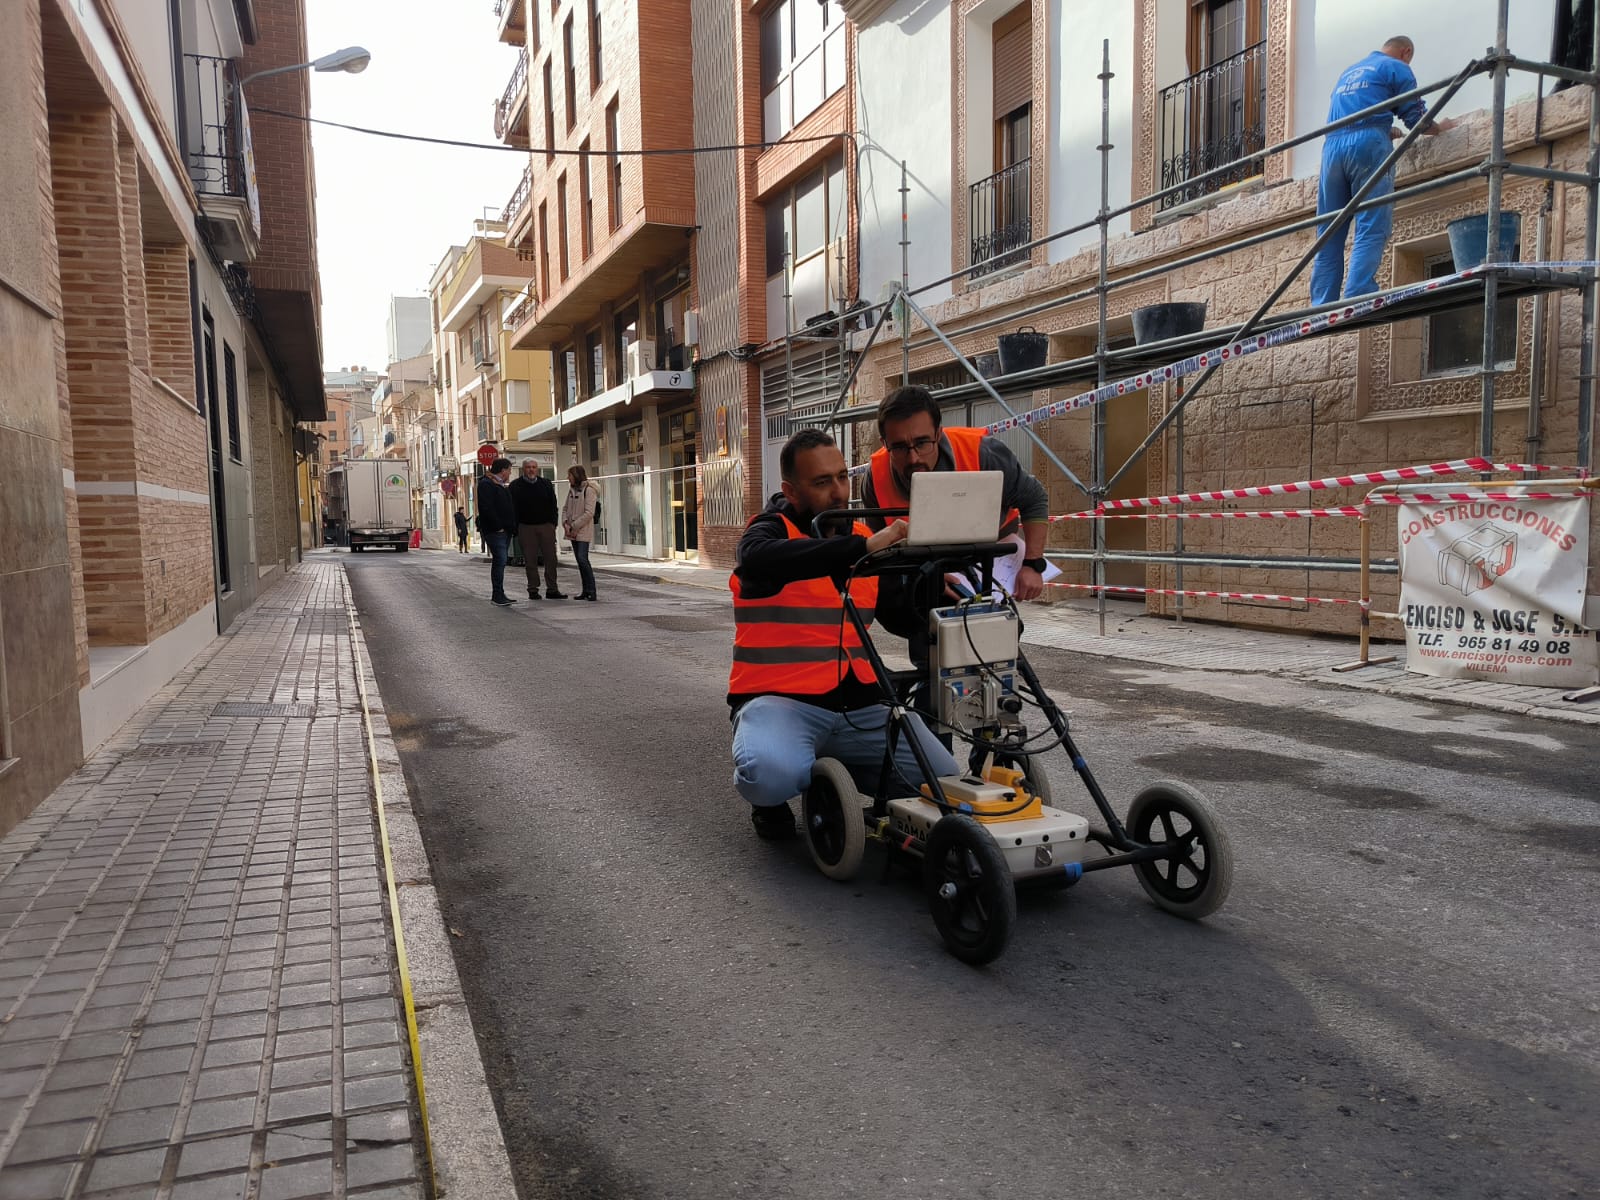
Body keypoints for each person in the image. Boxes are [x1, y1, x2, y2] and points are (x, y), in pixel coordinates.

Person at [729, 428, 959, 840]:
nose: (838, 492)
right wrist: (864, 549)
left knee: (942, 778)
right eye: (821, 482)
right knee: (770, 775)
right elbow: (756, 560)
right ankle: (772, 799)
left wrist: (929, 590)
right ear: (791, 490)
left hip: (860, 703)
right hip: (781, 700)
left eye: (841, 477)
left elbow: (898, 614)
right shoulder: (768, 532)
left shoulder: (859, 537)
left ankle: (839, 773)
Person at [861, 385, 1051, 602]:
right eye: (900, 447)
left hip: (988, 571)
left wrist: (1033, 565)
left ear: (938, 433)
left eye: (922, 443)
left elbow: (1034, 498)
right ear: (884, 443)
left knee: (999, 629)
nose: (913, 458)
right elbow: (881, 553)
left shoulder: (982, 453)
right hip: (921, 577)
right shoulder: (875, 477)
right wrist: (918, 577)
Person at [1310, 36, 1456, 306]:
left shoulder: (1349, 73)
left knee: (1329, 230)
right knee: (1372, 222)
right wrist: (1440, 128)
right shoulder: (1396, 67)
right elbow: (1416, 119)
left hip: (1331, 151)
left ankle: (1322, 303)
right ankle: (1357, 293)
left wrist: (1381, 126)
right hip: (1367, 147)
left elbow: (1354, 113)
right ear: (1406, 52)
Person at [509, 459, 566, 599]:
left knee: (551, 558)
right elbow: (511, 507)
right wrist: (516, 527)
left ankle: (552, 589)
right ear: (523, 469)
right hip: (526, 527)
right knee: (530, 560)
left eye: (534, 467)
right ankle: (533, 589)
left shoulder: (545, 483)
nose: (531, 470)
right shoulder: (515, 486)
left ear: (537, 468)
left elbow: (554, 504)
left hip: (546, 526)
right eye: (528, 467)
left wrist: (553, 523)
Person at [475, 458, 519, 606]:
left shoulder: (499, 484)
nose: (510, 473)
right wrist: (498, 526)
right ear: (503, 470)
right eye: (509, 470)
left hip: (505, 530)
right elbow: (487, 507)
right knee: (500, 561)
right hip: (495, 530)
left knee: (502, 561)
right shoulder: (487, 484)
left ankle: (500, 593)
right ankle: (497, 595)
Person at [561, 465, 600, 601]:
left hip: (582, 531)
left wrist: (574, 525)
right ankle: (585, 590)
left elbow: (589, 512)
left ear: (576, 476)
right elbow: (565, 508)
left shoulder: (589, 490)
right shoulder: (571, 490)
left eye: (570, 475)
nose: (568, 478)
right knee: (579, 560)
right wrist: (565, 523)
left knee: (583, 559)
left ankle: (592, 590)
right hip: (572, 531)